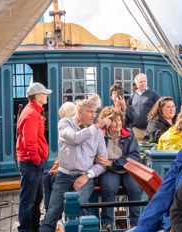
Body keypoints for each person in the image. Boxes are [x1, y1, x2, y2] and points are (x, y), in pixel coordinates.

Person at [40, 99, 111, 232]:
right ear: (79, 112)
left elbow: (103, 164)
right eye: (89, 112)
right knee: (51, 215)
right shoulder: (65, 123)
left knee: (79, 206)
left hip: (85, 177)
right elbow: (75, 138)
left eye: (94, 112)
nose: (93, 115)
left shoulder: (97, 133)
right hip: (64, 175)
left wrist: (87, 175)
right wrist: (95, 126)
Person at [95, 107, 142, 229]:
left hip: (126, 168)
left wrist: (113, 163)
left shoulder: (129, 133)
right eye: (114, 121)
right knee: (109, 187)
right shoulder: (100, 135)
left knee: (135, 188)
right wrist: (96, 159)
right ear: (107, 122)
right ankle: (107, 223)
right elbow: (92, 152)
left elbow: (134, 155)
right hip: (108, 170)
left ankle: (135, 223)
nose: (118, 123)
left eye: (119, 120)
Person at [16, 82, 52, 232]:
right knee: (28, 200)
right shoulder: (31, 114)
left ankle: (34, 227)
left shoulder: (33, 111)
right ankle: (26, 229)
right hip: (31, 163)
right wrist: (37, 160)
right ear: (38, 97)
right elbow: (29, 142)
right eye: (44, 94)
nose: (47, 96)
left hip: (34, 162)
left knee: (36, 198)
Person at [43, 101, 78, 210]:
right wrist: (56, 165)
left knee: (53, 179)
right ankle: (49, 211)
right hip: (65, 166)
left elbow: (72, 156)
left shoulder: (74, 131)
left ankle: (55, 212)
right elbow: (63, 153)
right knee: (46, 178)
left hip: (74, 170)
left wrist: (59, 168)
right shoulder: (67, 128)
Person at [127, 73, 160, 142]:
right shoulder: (132, 97)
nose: (143, 83)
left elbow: (160, 109)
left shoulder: (154, 95)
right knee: (138, 151)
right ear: (136, 84)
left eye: (144, 81)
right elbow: (128, 113)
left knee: (150, 150)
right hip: (137, 130)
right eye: (140, 82)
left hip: (150, 130)